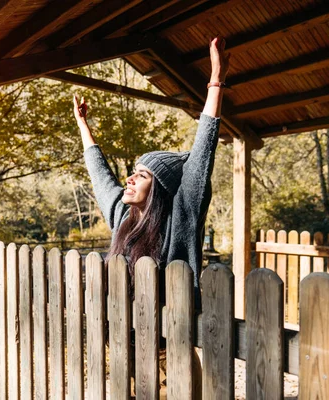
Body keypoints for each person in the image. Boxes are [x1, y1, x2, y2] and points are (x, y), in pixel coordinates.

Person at [73, 36, 229, 307]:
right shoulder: (123, 217)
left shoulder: (181, 218)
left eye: (143, 175)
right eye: (134, 172)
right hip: (124, 335)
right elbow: (99, 173)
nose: (130, 179)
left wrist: (215, 81)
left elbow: (202, 153)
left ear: (160, 189)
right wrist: (83, 124)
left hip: (168, 342)